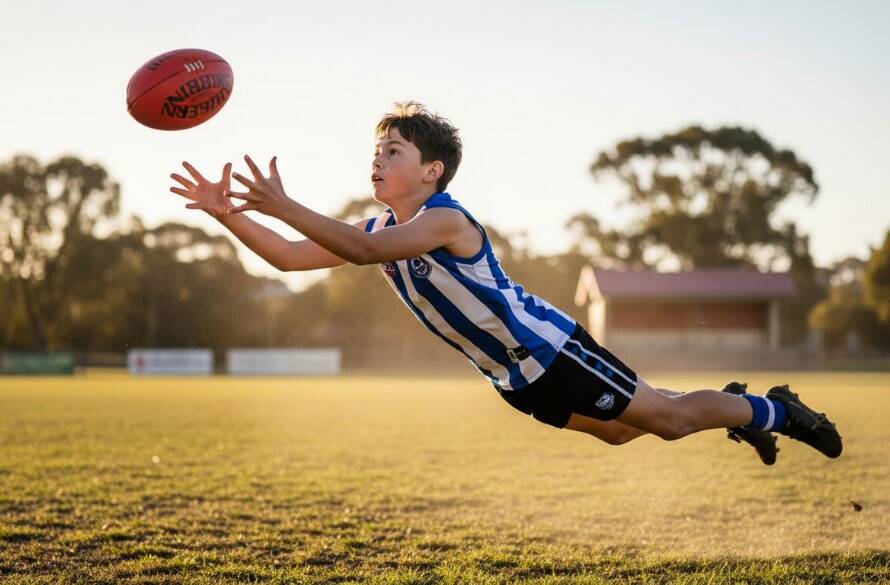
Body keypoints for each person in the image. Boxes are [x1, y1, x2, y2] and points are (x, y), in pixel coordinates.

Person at [169, 102, 841, 463]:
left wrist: (283, 202)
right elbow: (290, 258)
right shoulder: (380, 225)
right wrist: (230, 216)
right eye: (375, 152)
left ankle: (776, 409)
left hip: (551, 348)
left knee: (667, 419)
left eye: (393, 151)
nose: (378, 160)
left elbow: (350, 247)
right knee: (625, 431)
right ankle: (732, 406)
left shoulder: (443, 221)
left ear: (431, 170)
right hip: (513, 377)